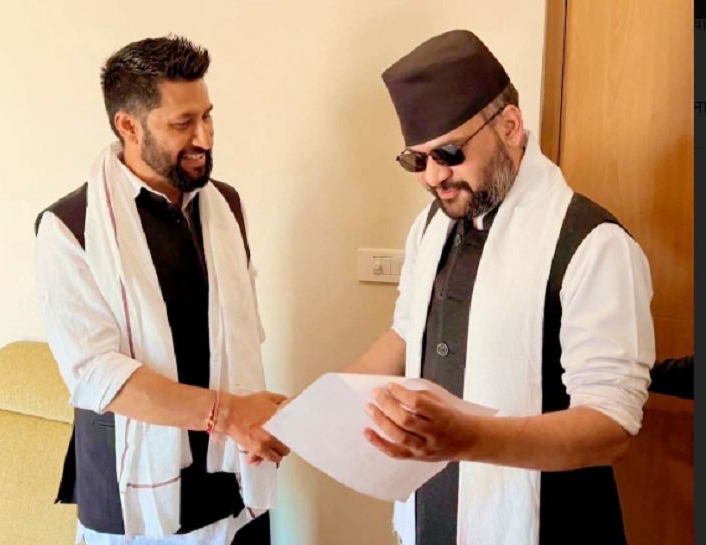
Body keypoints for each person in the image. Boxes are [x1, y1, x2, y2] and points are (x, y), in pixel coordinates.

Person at [344, 30, 654, 545]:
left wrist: (466, 440)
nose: (433, 177)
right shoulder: (431, 226)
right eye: (417, 160)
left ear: (510, 125)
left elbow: (610, 427)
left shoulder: (593, 244)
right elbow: (407, 332)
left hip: (550, 526)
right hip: (433, 516)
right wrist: (314, 411)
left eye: (448, 152)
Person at [34, 35, 288, 545]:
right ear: (128, 126)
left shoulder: (227, 205)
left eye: (207, 116)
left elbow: (239, 337)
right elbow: (96, 374)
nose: (205, 138)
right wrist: (231, 414)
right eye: (183, 123)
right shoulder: (68, 227)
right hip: (130, 495)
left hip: (233, 478)